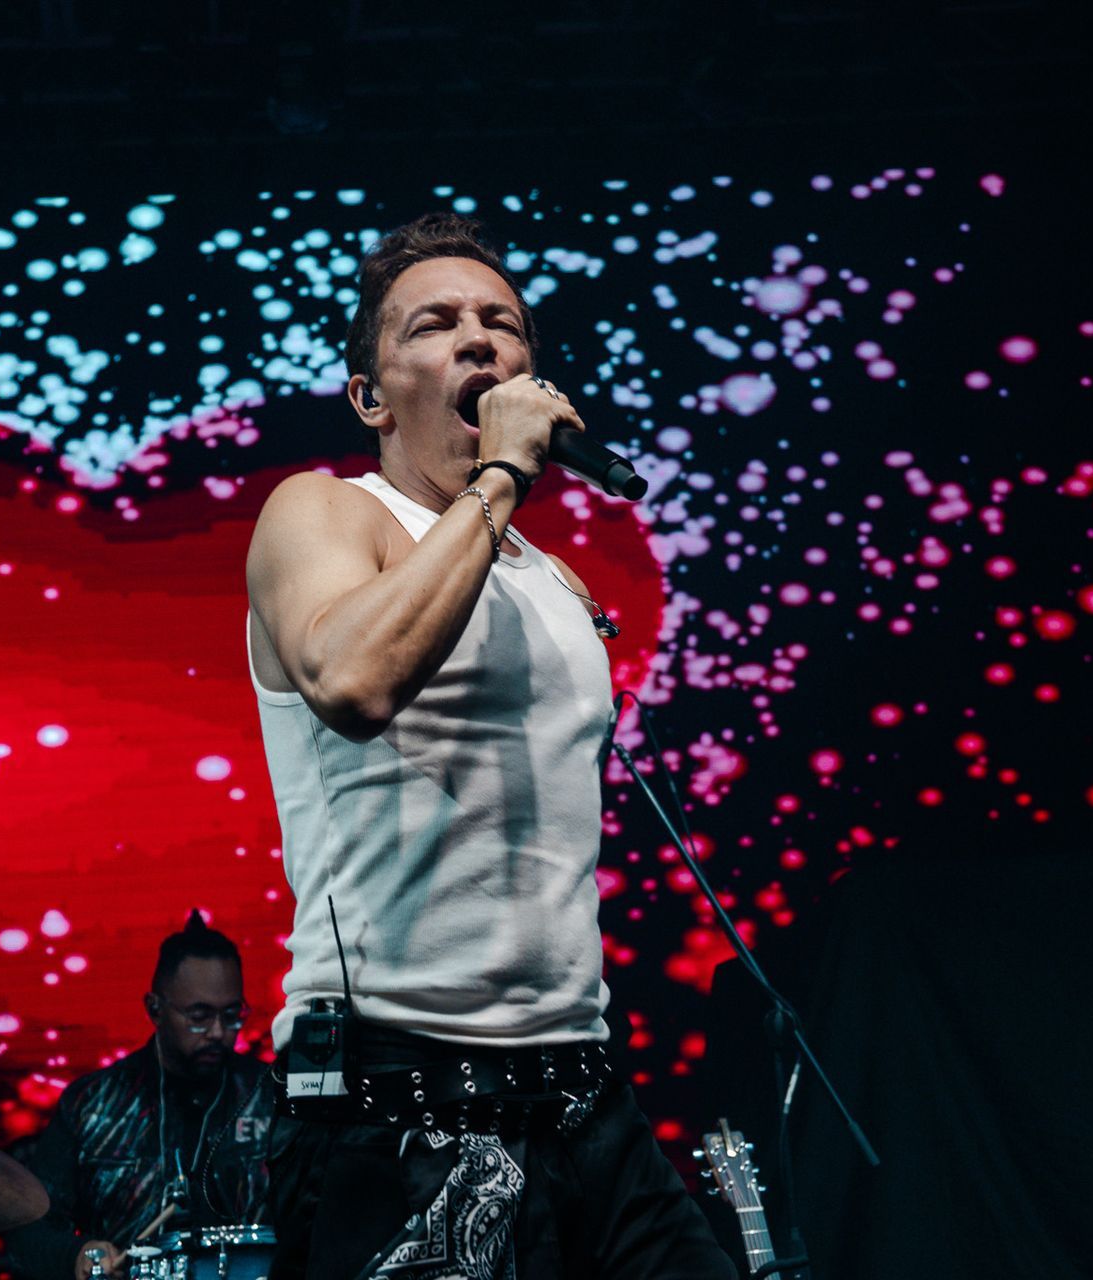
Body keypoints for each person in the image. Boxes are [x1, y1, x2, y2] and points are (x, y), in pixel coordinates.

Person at [245, 212, 736, 1279]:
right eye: (435, 324)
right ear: (371, 397)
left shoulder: (552, 578)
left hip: (582, 1084)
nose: (479, 338)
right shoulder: (325, 511)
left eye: (501, 323)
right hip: (400, 1090)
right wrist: (501, 473)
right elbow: (353, 682)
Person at [7, 911, 271, 1280]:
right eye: (199, 1016)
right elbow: (30, 1229)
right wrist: (78, 1255)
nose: (217, 1032)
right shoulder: (92, 1105)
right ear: (154, 1009)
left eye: (231, 1015)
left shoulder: (269, 1095)